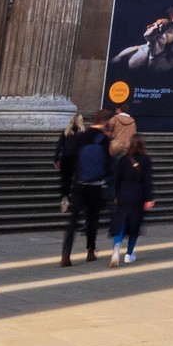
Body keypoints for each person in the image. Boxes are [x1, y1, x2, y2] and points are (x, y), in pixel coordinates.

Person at [60, 114, 108, 267]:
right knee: (92, 218)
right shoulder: (103, 139)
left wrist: (65, 190)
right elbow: (107, 163)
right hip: (96, 184)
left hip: (79, 183)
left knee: (73, 220)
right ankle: (90, 251)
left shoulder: (81, 137)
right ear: (104, 123)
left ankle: (66, 254)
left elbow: (68, 161)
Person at [108, 134, 155, 265]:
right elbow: (148, 181)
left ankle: (116, 248)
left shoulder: (123, 159)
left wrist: (116, 195)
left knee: (120, 222)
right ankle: (129, 254)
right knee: (135, 225)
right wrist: (149, 198)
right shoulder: (146, 160)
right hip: (138, 196)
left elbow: (116, 179)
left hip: (123, 194)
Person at [53, 114, 86, 207]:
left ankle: (64, 197)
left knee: (65, 179)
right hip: (77, 159)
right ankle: (76, 199)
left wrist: (56, 159)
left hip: (65, 158)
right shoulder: (83, 133)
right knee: (77, 179)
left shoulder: (66, 131)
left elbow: (59, 146)